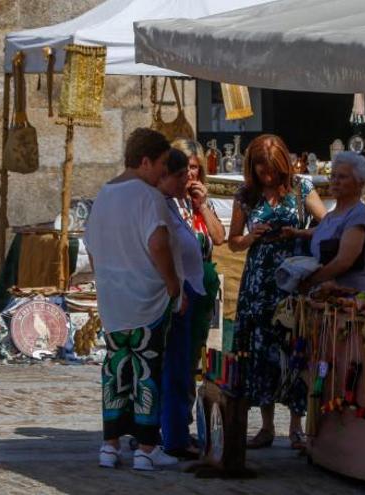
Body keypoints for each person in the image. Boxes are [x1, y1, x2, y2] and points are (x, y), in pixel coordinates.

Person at [84, 128, 182, 471]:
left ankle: (109, 446)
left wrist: (106, 281)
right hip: (146, 298)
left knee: (115, 370)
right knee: (147, 370)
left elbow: (92, 247)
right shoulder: (148, 196)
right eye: (162, 166)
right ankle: (145, 447)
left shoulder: (104, 194)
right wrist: (172, 282)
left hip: (113, 299)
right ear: (145, 161)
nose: (164, 174)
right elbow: (157, 243)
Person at [228, 134, 326, 450]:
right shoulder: (246, 195)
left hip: (292, 278)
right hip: (259, 282)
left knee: (292, 345)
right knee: (260, 349)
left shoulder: (301, 188)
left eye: (271, 169)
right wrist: (250, 237)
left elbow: (326, 225)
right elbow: (233, 241)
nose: (266, 175)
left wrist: (298, 232)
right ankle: (267, 426)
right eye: (260, 169)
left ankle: (296, 427)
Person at [169, 139, 225, 434]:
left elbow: (218, 238)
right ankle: (174, 421)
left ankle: (187, 419)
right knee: (178, 356)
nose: (190, 174)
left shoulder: (202, 201)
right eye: (185, 168)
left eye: (194, 167)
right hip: (179, 286)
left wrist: (202, 205)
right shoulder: (168, 201)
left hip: (203, 287)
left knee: (196, 357)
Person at [157, 149, 205, 459]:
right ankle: (173, 436)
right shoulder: (159, 204)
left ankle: (176, 432)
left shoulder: (176, 203)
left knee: (182, 366)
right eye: (182, 176)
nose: (186, 182)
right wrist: (176, 289)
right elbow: (161, 249)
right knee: (174, 368)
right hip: (176, 293)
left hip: (187, 288)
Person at [294, 152, 365, 293]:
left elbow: (343, 261)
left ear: (360, 183)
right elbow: (324, 231)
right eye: (333, 176)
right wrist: (296, 233)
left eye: (342, 177)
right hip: (327, 297)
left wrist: (310, 281)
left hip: (349, 298)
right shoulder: (332, 215)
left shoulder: (358, 216)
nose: (335, 181)